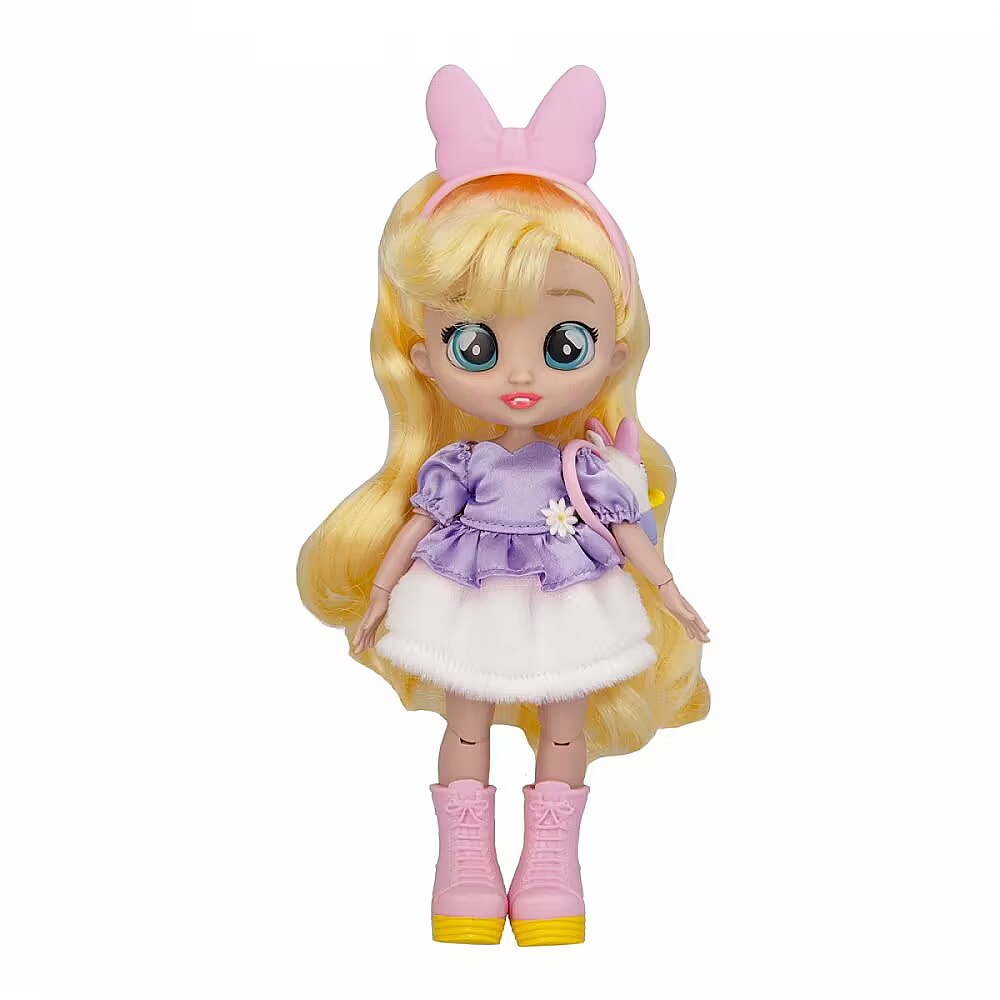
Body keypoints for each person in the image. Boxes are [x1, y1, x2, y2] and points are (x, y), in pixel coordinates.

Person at [297, 64, 710, 946]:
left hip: (568, 601)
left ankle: (552, 867)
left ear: (614, 348)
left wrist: (670, 592)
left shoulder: (586, 465)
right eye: (475, 343)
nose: (520, 374)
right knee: (468, 720)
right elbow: (418, 527)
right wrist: (377, 595)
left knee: (564, 725)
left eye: (564, 342)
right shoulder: (459, 463)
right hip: (473, 597)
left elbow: (626, 531)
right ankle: (465, 866)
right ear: (424, 355)